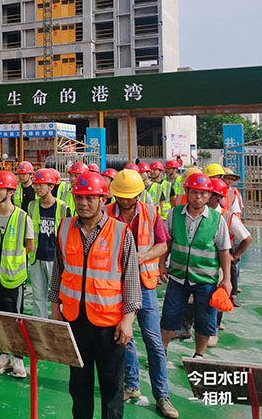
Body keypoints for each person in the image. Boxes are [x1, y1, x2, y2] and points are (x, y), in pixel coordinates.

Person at [49, 171, 141, 419]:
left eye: (90, 198)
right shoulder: (65, 227)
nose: (83, 203)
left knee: (112, 387)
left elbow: (131, 280)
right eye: (79, 197)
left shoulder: (121, 232)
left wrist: (128, 320)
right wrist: (56, 310)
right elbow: (59, 271)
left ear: (103, 199)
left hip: (109, 325)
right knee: (79, 385)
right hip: (74, 321)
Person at [105, 170, 178, 418]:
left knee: (153, 340)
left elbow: (163, 244)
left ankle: (162, 395)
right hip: (116, 284)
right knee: (123, 337)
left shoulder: (150, 212)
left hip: (144, 283)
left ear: (138, 194)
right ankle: (132, 385)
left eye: (129, 196)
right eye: (120, 196)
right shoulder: (106, 213)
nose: (124, 201)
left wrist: (142, 256)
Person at [160, 172, 232, 359]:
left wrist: (227, 279)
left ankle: (199, 355)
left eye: (203, 193)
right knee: (169, 317)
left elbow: (224, 251)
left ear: (209, 195)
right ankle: (162, 353)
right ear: (187, 192)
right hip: (177, 277)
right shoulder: (174, 214)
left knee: (204, 320)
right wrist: (161, 264)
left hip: (205, 280)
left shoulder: (217, 220)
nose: (198, 197)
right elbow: (167, 242)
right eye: (194, 192)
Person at [0, 170, 34, 378]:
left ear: (11, 192)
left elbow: (29, 246)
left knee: (14, 319)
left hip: (13, 278)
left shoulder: (22, 218)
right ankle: (3, 356)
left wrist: (12, 263)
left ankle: (18, 358)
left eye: (1, 189)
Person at [27, 168, 70, 319]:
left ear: (51, 186)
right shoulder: (32, 206)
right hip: (37, 258)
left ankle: (59, 325)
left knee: (58, 297)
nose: (37, 188)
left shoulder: (63, 208)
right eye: (36, 185)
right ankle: (41, 326)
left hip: (56, 260)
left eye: (41, 185)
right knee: (38, 296)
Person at [207, 178, 251, 313]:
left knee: (218, 299)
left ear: (216, 197)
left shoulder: (227, 216)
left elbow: (247, 238)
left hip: (221, 262)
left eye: (207, 194)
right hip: (203, 264)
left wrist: (235, 256)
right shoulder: (200, 213)